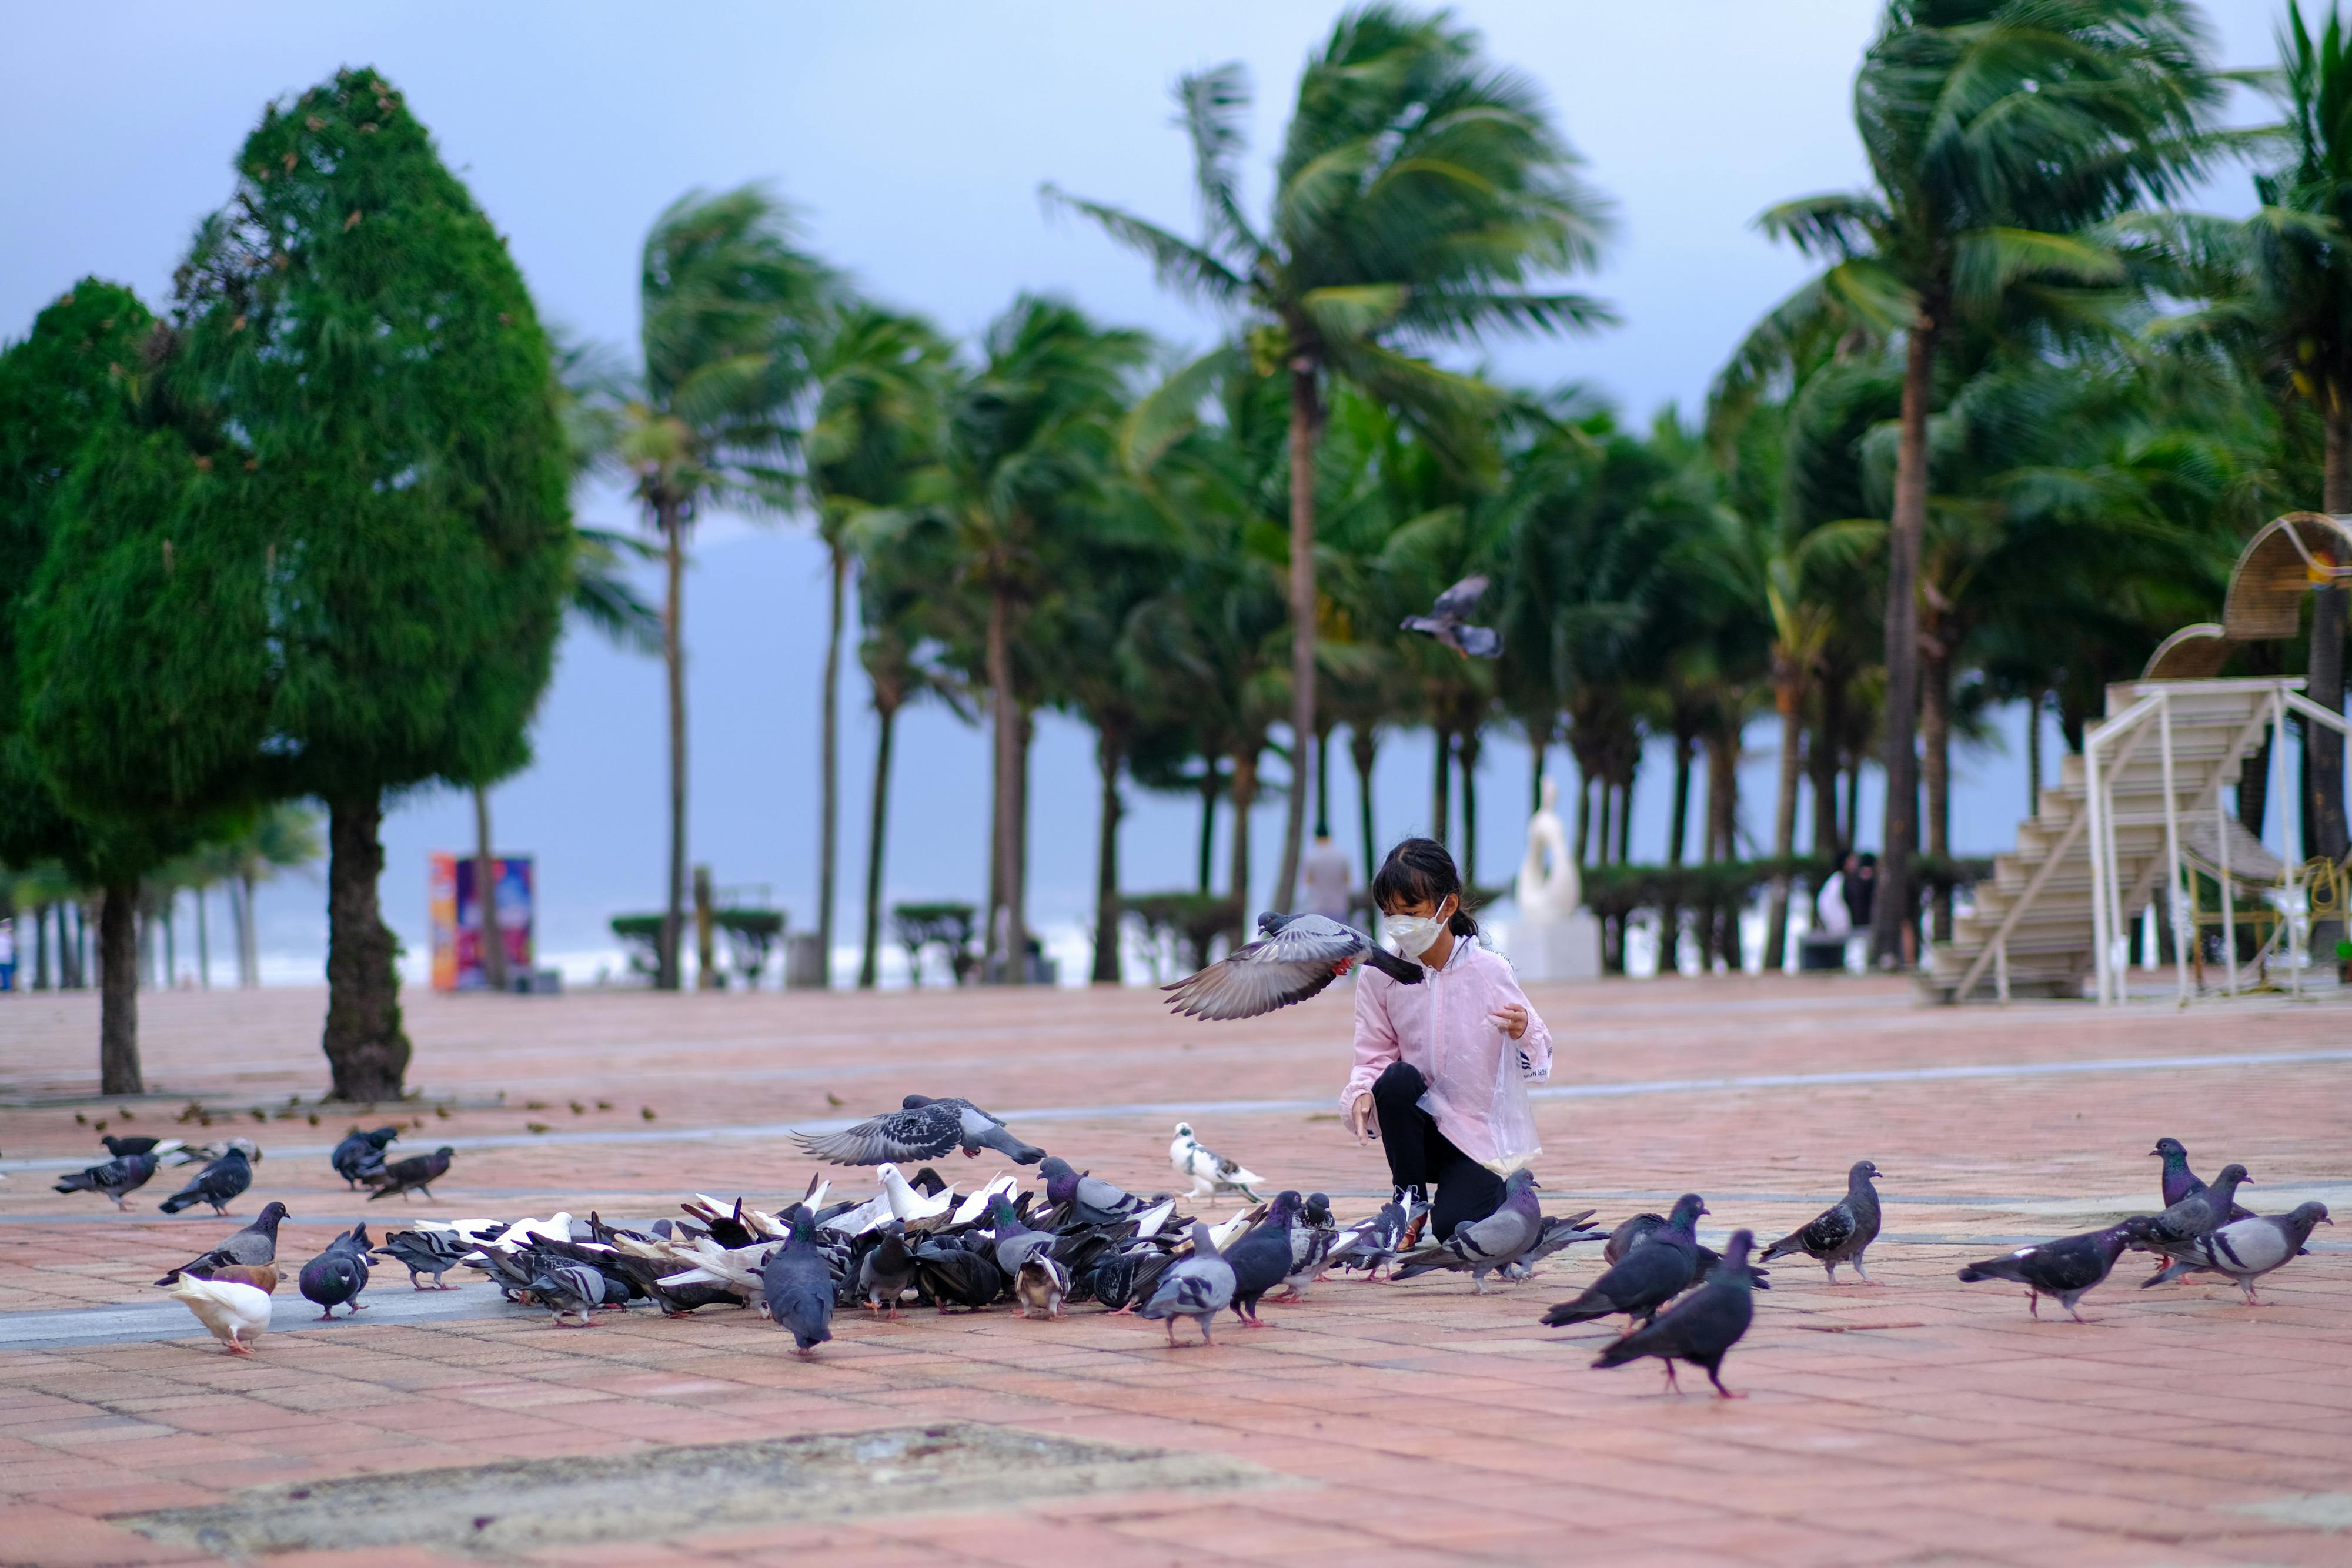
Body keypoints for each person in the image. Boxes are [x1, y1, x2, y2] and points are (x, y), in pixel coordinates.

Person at [1341, 837, 1553, 1241]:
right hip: (1419, 1135)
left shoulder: (1489, 970)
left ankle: (1504, 1192)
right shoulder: (1378, 974)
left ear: (1448, 906)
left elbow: (1539, 1055)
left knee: (1457, 1231)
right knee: (1396, 1079)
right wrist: (1362, 1093)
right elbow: (1372, 1056)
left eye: (1411, 911)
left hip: (1478, 1134)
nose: (1399, 923)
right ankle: (1410, 1202)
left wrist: (1523, 1028)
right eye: (1389, 913)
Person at [1301, 824, 1355, 926]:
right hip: (1339, 905)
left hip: (1319, 906)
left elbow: (1308, 884)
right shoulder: (1342, 856)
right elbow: (1347, 882)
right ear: (1329, 836)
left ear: (1316, 837)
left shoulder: (1311, 858)